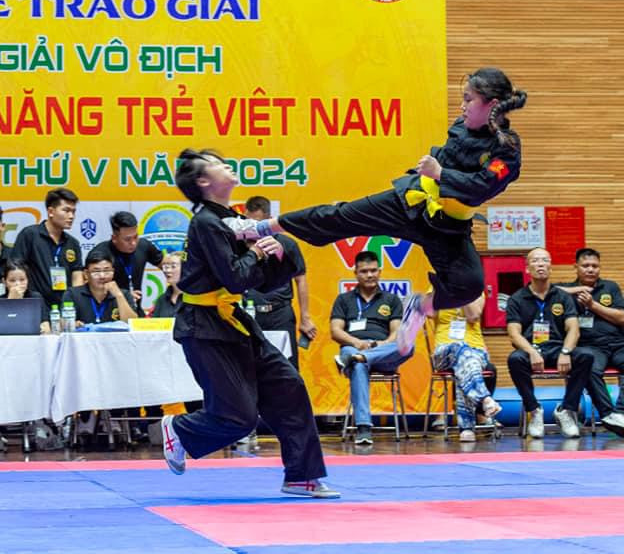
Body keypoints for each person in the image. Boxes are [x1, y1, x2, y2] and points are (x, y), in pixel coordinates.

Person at [224, 68, 527, 356]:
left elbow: (482, 186)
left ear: (492, 105)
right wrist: (431, 172)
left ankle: (420, 307)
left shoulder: (507, 149)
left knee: (469, 285)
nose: (462, 106)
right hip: (410, 202)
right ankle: (261, 227)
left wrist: (441, 173)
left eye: (469, 99)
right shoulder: (461, 126)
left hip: (447, 226)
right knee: (339, 216)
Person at [160, 148, 338, 498]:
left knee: (289, 386)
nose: (227, 165)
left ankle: (301, 475)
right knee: (238, 418)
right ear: (203, 181)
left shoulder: (231, 220)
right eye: (217, 164)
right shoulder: (206, 223)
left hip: (235, 321)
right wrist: (257, 252)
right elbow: (236, 277)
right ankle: (179, 430)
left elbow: (258, 281)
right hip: (204, 327)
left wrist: (277, 254)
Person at [506, 248, 592, 438]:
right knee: (515, 359)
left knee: (586, 356)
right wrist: (532, 352)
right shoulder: (516, 299)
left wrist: (566, 352)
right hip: (531, 350)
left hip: (557, 349)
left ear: (550, 267)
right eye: (535, 260)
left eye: (545, 260)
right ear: (527, 268)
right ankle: (534, 410)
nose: (540, 264)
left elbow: (574, 329)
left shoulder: (563, 297)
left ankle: (566, 410)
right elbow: (514, 334)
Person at [329, 250, 408, 445]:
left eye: (373, 270)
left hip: (384, 354)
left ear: (379, 271)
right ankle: (364, 428)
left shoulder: (391, 299)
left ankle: (361, 358)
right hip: (353, 348)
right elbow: (335, 331)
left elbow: (396, 333)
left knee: (408, 345)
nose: (369, 275)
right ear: (355, 273)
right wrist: (358, 344)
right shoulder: (344, 299)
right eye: (364, 271)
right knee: (357, 364)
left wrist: (379, 346)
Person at [555, 248, 624, 436]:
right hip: (591, 346)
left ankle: (620, 413)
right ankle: (608, 414)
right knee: (589, 366)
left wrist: (593, 305)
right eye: (585, 265)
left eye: (595, 266)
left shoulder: (610, 287)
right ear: (576, 267)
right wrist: (576, 290)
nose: (591, 269)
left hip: (618, 343)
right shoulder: (566, 291)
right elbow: (543, 289)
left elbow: (621, 317)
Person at [244, 195, 317, 367]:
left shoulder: (287, 244)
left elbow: (300, 279)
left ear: (269, 220)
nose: (253, 229)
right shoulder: (239, 246)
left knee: (288, 368)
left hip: (280, 314)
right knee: (249, 367)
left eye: (258, 224)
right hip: (250, 314)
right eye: (249, 223)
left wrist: (305, 317)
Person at [430, 294, 502, 441]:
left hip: (474, 350)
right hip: (444, 352)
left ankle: (467, 430)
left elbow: (473, 316)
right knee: (460, 349)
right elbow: (431, 313)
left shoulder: (475, 291)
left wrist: (462, 292)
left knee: (464, 364)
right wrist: (443, 289)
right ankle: (483, 399)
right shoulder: (438, 288)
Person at [10, 188, 84, 310]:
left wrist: (75, 305)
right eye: (66, 210)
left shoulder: (73, 243)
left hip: (65, 308)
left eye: (73, 211)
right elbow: (15, 269)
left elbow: (77, 276)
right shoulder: (30, 235)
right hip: (34, 306)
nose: (71, 216)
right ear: (51, 211)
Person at [90, 211, 164, 313]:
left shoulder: (144, 246)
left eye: (136, 237)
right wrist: (124, 295)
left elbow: (165, 265)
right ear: (114, 238)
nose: (133, 243)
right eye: (127, 239)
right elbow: (92, 288)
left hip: (136, 311)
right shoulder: (100, 253)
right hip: (108, 312)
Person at [60, 249, 137, 327]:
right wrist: (73, 324)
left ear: (113, 272)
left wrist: (119, 296)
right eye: (96, 272)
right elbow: (62, 323)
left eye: (107, 271)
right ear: (86, 274)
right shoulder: (73, 294)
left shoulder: (124, 294)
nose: (102, 276)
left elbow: (132, 325)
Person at [0, 258, 51, 334]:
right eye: (12, 280)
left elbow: (46, 326)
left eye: (22, 280)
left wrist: (43, 329)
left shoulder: (36, 298)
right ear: (4, 282)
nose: (18, 284)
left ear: (28, 280)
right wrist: (11, 300)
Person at [151, 251, 184, 318]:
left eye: (173, 266)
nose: (167, 270)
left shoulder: (193, 297)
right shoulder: (162, 299)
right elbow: (155, 322)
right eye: (165, 267)